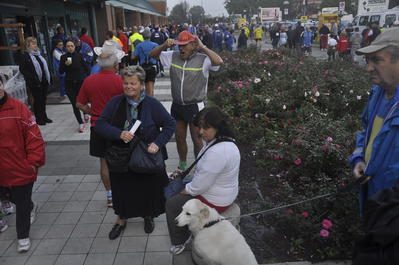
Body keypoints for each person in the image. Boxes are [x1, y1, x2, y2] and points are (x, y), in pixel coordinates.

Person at [95, 65, 176, 238]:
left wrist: (158, 143)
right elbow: (100, 124)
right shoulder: (115, 102)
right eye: (126, 83)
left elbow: (170, 124)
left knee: (145, 188)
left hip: (145, 155)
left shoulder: (152, 104)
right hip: (121, 157)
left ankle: (148, 216)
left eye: (133, 83)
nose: (128, 86)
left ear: (141, 85)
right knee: (122, 189)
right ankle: (121, 220)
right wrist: (118, 133)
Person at [165, 105, 241, 254]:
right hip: (225, 192)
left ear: (218, 126)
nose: (201, 132)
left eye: (206, 127)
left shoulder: (218, 153)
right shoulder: (225, 140)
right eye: (200, 127)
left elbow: (199, 186)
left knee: (171, 203)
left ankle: (180, 240)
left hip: (215, 200)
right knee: (178, 190)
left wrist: (185, 191)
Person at [149, 30, 223, 180]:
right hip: (177, 106)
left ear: (193, 45)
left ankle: (199, 168)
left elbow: (218, 62)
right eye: (179, 45)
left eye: (184, 45)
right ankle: (182, 168)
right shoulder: (173, 56)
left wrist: (203, 47)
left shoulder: (203, 59)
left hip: (195, 107)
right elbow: (152, 55)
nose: (181, 49)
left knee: (197, 139)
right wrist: (164, 45)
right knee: (179, 137)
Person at [350, 27, 399, 213]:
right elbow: (366, 132)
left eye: (377, 60)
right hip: (374, 199)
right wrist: (359, 159)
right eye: (369, 60)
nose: (369, 67)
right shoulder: (378, 93)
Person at [0, 79, 45, 252]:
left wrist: (32, 163)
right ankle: (30, 206)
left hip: (19, 167)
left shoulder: (18, 108)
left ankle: (23, 236)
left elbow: (34, 137)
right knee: (10, 197)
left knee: (22, 200)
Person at [76, 49, 124, 209]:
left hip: (98, 127)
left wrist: (95, 112)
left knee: (104, 163)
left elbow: (80, 104)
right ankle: (123, 192)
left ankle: (110, 196)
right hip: (118, 129)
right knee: (122, 160)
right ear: (116, 65)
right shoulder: (120, 81)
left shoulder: (89, 80)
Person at [59, 39, 91, 133]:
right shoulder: (63, 57)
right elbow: (60, 71)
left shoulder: (79, 56)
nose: (70, 48)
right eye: (68, 46)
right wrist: (65, 65)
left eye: (72, 46)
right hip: (69, 83)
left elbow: (86, 67)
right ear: (66, 47)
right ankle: (80, 123)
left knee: (82, 101)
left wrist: (89, 78)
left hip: (79, 82)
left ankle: (85, 112)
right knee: (75, 104)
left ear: (74, 46)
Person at [19, 37, 52, 126]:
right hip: (35, 82)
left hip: (43, 80)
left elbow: (44, 67)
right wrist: (32, 77)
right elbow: (23, 69)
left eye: (36, 43)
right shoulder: (25, 56)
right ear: (28, 45)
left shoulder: (38, 55)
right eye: (33, 44)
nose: (35, 45)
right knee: (38, 100)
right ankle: (39, 118)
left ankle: (44, 116)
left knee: (43, 99)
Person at [131, 29, 158, 96]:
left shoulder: (139, 46)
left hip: (143, 68)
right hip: (152, 67)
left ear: (142, 36)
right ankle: (151, 102)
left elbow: (132, 57)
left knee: (145, 86)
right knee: (151, 86)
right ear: (150, 36)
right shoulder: (155, 45)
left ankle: (146, 100)